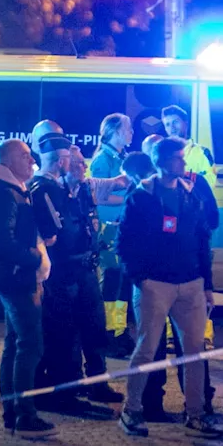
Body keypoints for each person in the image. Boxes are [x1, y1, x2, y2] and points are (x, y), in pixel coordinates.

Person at [116, 139, 223, 439]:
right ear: (162, 161)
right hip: (155, 285)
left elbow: (203, 240)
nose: (184, 164)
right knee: (147, 349)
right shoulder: (141, 196)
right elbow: (124, 243)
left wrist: (207, 285)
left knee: (194, 352)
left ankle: (196, 415)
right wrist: (140, 278)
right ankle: (131, 410)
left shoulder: (191, 194)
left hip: (190, 284)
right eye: (178, 158)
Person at [29, 137, 122, 412]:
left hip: (86, 268)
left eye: (83, 162)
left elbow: (113, 186)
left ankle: (98, 383)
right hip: (63, 272)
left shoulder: (82, 189)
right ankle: (68, 392)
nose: (83, 167)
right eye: (79, 163)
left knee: (95, 328)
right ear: (64, 164)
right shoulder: (49, 190)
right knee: (65, 334)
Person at [0, 139, 56, 439]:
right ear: (7, 161)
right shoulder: (3, 194)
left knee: (14, 345)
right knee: (30, 345)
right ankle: (25, 415)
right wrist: (34, 258)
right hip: (16, 278)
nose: (31, 159)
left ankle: (13, 413)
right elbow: (2, 242)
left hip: (16, 277)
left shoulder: (13, 190)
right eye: (24, 155)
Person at [89, 114, 133, 356]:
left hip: (119, 226)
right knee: (112, 280)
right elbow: (100, 196)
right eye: (128, 128)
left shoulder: (121, 157)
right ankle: (107, 334)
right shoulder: (102, 160)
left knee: (122, 282)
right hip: (108, 227)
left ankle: (119, 330)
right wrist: (130, 200)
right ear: (115, 131)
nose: (131, 133)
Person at [161, 105, 214, 179]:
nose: (172, 127)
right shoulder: (160, 153)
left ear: (186, 123)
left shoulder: (202, 153)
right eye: (167, 124)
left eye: (175, 122)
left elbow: (209, 184)